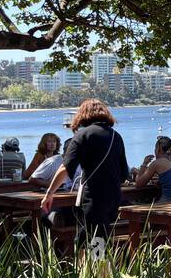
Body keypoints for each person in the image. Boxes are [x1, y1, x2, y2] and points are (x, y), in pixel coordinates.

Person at [40, 99, 129, 240]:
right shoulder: (115, 136)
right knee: (99, 240)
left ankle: (92, 262)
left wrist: (49, 193)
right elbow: (124, 174)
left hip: (93, 196)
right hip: (114, 197)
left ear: (83, 114)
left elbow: (66, 167)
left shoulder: (83, 136)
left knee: (89, 241)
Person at [133, 136, 171, 201]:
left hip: (167, 203)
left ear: (158, 149)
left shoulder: (158, 163)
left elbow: (138, 184)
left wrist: (144, 163)